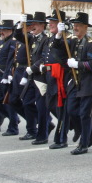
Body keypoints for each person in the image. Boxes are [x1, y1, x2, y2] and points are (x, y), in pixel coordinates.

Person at [65, 12, 92, 155]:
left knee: (85, 115)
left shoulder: (91, 44)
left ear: (86, 27)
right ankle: (91, 133)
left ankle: (84, 144)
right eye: (74, 25)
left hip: (87, 83)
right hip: (75, 82)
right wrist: (61, 32)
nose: (76, 28)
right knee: (71, 110)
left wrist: (77, 64)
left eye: (79, 25)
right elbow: (59, 45)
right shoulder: (74, 41)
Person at [15, 12, 49, 142]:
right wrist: (20, 25)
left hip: (40, 77)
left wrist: (32, 68)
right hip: (31, 77)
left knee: (41, 107)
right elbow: (18, 36)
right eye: (32, 24)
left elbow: (44, 58)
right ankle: (32, 130)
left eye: (35, 24)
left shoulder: (45, 40)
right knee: (27, 102)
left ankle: (42, 135)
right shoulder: (32, 38)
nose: (33, 26)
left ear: (42, 26)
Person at [39, 10, 68, 148]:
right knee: (50, 105)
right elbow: (44, 55)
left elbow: (63, 52)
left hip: (60, 76)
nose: (50, 24)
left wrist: (60, 35)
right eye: (50, 21)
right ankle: (85, 129)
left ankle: (61, 139)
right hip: (49, 76)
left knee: (60, 108)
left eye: (53, 22)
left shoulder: (64, 38)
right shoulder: (49, 38)